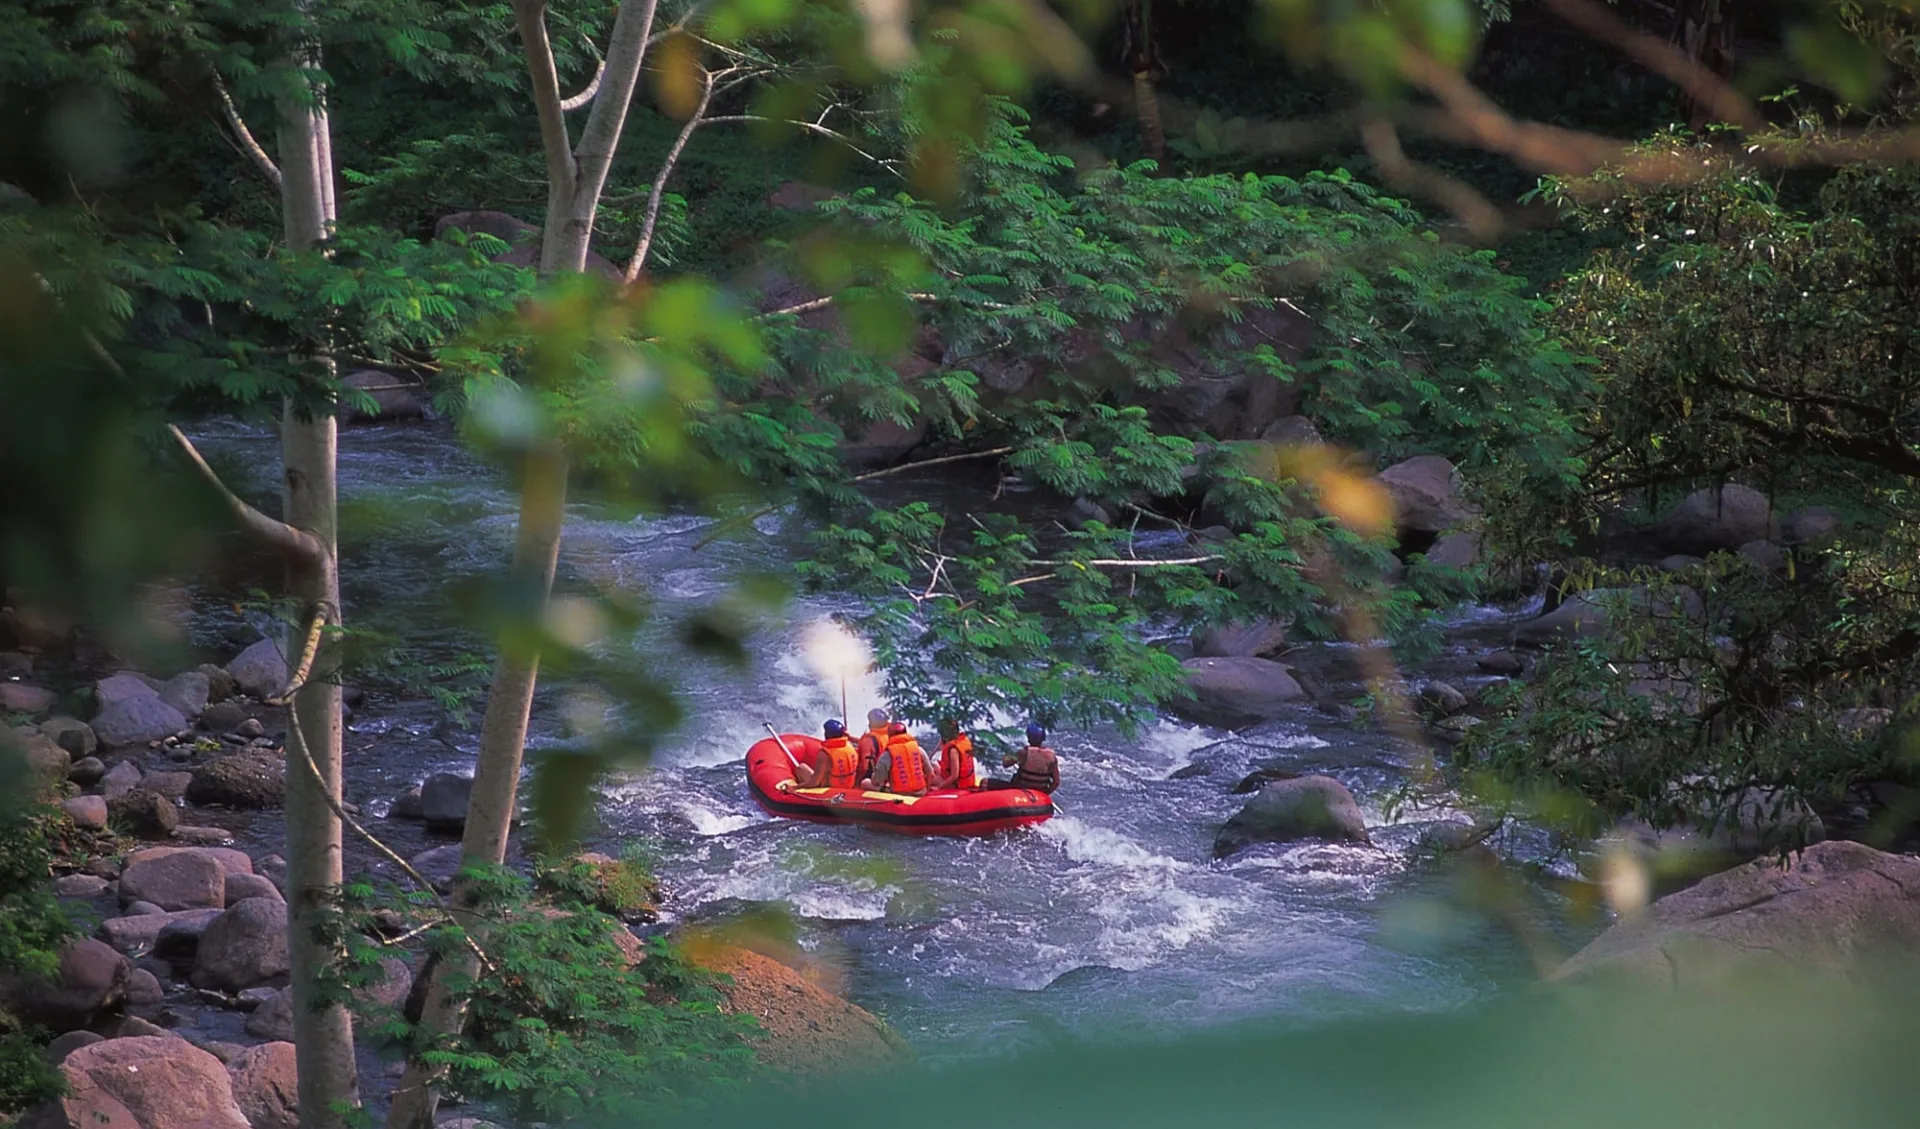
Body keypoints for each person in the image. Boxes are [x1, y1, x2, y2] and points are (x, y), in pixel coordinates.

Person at [860, 721, 935, 796]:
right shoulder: (919, 749)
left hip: (898, 794)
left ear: (889, 735)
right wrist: (926, 791)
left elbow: (877, 781)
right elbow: (930, 774)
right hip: (921, 792)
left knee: (865, 783)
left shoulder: (887, 755)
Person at [986, 723, 1060, 794]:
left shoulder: (1023, 753)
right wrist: (1045, 793)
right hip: (1040, 791)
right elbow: (1056, 782)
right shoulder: (1051, 756)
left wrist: (1007, 752)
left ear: (1028, 737)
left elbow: (1005, 763)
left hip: (1019, 789)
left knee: (985, 782)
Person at [792, 719, 859, 790]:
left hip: (830, 790)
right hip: (848, 786)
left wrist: (796, 787)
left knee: (801, 768)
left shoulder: (824, 754)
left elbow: (815, 782)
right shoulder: (850, 746)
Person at [934, 718, 978, 790]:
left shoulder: (953, 750)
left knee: (928, 777)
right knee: (933, 766)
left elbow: (954, 776)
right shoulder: (962, 741)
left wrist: (939, 787)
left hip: (957, 784)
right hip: (964, 780)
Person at [855, 707, 891, 783]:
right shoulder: (890, 734)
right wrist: (850, 738)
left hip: (874, 778)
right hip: (889, 775)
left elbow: (865, 767)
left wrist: (857, 781)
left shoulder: (868, 739)